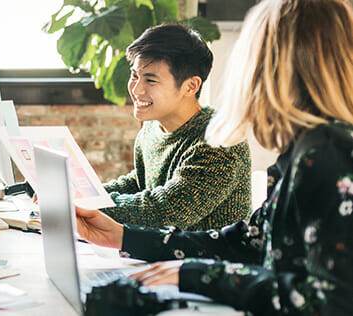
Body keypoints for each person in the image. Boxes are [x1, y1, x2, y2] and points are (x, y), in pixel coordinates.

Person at [75, 0, 353, 314]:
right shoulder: (301, 150)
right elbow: (248, 242)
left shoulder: (328, 155)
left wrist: (198, 276)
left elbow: (332, 304)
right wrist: (125, 237)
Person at [100, 24, 252, 231]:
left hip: (210, 261)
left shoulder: (222, 140)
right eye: (134, 75)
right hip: (162, 256)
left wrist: (88, 204)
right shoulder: (151, 129)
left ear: (191, 86)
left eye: (150, 80)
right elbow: (140, 182)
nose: (136, 90)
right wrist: (85, 193)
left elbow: (165, 212)